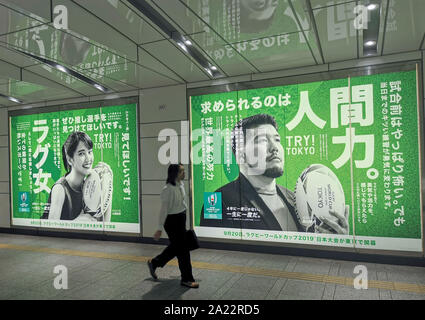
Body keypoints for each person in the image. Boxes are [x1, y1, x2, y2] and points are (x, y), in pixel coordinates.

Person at [200, 113, 349, 234]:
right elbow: (217, 253)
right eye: (262, 140)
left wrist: (334, 240)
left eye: (277, 139)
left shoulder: (294, 198)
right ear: (241, 155)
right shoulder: (217, 201)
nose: (275, 147)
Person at [148, 164, 199, 288]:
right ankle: (186, 279)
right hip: (172, 222)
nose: (184, 173)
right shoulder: (168, 189)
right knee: (183, 251)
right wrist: (159, 228)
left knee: (176, 248)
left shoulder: (181, 185)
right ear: (175, 174)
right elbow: (163, 210)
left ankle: (154, 262)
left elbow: (182, 204)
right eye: (181, 171)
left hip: (180, 219)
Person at [41, 131, 98, 221]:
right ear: (70, 159)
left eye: (90, 152)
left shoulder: (87, 185)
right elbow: (51, 226)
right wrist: (77, 222)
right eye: (81, 153)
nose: (88, 158)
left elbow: (101, 223)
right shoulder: (60, 189)